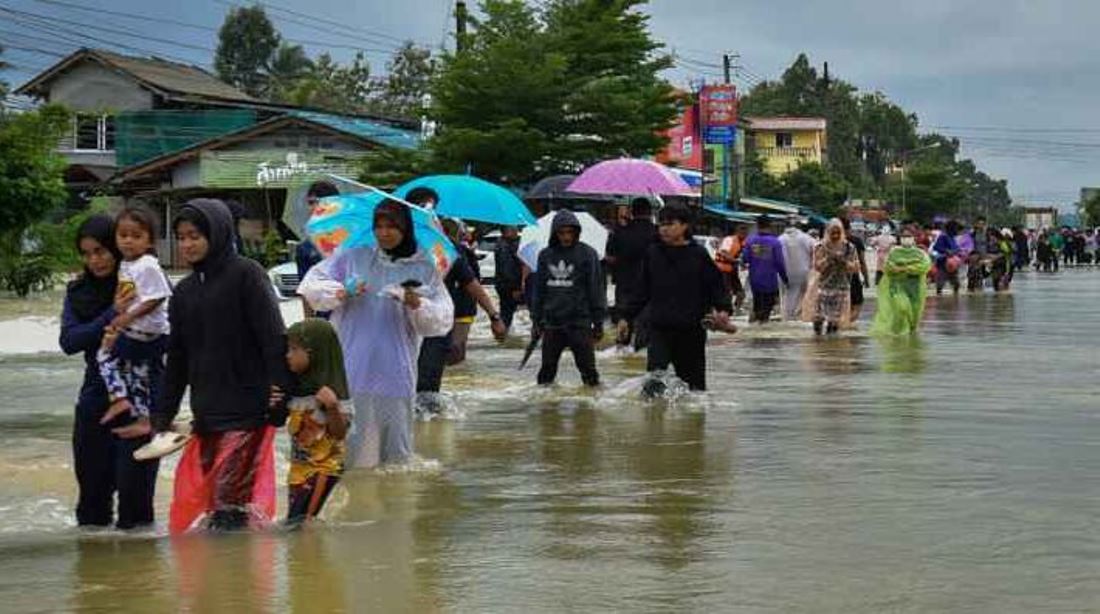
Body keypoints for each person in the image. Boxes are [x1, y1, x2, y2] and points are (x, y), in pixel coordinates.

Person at [123, 199, 290, 533]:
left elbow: (274, 340)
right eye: (181, 237)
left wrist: (281, 397)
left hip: (248, 412)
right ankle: (226, 578)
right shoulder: (184, 292)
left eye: (195, 236)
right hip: (207, 414)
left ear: (217, 233)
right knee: (215, 505)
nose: (187, 244)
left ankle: (233, 579)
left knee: (230, 506)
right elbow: (178, 359)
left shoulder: (247, 275)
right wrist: (162, 415)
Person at [300, 199, 453, 466]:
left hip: (395, 367)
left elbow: (441, 320)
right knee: (348, 447)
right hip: (351, 364)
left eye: (391, 226)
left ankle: (394, 503)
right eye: (378, 226)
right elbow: (311, 286)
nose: (383, 233)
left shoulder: (424, 268)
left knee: (395, 454)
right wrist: (340, 292)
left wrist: (416, 302)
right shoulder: (354, 257)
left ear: (405, 228)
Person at [60, 215, 158, 529]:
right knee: (91, 501)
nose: (95, 260)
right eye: (87, 254)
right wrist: (113, 313)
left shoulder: (144, 282)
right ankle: (94, 575)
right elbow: (70, 341)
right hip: (94, 401)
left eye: (101, 251)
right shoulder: (78, 292)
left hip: (140, 400)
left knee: (135, 502)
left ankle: (139, 577)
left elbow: (169, 339)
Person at [617, 206, 733, 395]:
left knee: (695, 391)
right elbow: (641, 291)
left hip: (692, 330)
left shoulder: (698, 255)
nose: (664, 229)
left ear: (684, 226)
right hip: (659, 329)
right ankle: (653, 422)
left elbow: (716, 287)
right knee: (654, 384)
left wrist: (723, 310)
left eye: (670, 224)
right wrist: (625, 318)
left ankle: (691, 424)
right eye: (661, 224)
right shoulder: (652, 254)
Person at [416, 219, 506, 414]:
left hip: (437, 326)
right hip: (402, 329)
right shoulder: (392, 253)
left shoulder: (448, 252)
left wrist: (494, 316)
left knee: (427, 387)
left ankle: (429, 434)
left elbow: (472, 284)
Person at [95, 206, 172, 427]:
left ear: (149, 241)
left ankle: (119, 398)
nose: (128, 241)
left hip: (146, 330)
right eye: (123, 235)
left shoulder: (147, 265)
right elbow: (131, 296)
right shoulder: (128, 264)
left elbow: (156, 297)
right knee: (138, 373)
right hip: (139, 329)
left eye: (136, 236)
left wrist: (126, 319)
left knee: (105, 355)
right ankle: (144, 418)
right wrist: (119, 312)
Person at [276, 319, 353, 527]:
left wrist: (332, 407)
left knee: (298, 524)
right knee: (296, 524)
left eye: (294, 350)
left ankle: (309, 556)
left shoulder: (331, 392)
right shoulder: (298, 389)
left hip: (323, 469)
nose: (288, 355)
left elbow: (340, 434)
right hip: (298, 469)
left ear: (315, 352)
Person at [530, 210, 606, 387]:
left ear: (576, 232)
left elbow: (595, 288)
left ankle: (591, 410)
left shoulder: (588, 254)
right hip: (552, 322)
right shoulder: (545, 255)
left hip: (579, 322)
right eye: (561, 232)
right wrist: (536, 320)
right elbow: (539, 289)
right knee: (546, 372)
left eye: (569, 232)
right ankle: (546, 410)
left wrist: (599, 322)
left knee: (588, 372)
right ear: (554, 233)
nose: (566, 237)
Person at [604, 198, 658, 345]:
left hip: (624, 284)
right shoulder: (658, 233)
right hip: (651, 287)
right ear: (650, 212)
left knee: (623, 325)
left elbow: (610, 258)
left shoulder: (619, 232)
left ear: (632, 211)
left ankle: (623, 349)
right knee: (646, 328)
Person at [871, 227, 932, 336]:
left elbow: (925, 266)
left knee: (914, 316)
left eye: (909, 236)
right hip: (897, 287)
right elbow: (888, 266)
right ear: (899, 238)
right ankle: (897, 333)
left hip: (915, 289)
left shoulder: (920, 253)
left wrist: (906, 269)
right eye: (904, 236)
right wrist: (899, 269)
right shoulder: (893, 252)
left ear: (913, 238)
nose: (906, 239)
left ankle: (910, 336)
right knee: (902, 308)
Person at [804, 219, 859, 335]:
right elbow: (817, 267)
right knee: (818, 319)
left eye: (838, 233)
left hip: (841, 287)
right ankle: (818, 344)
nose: (835, 236)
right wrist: (828, 259)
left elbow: (855, 267)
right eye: (832, 233)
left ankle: (831, 346)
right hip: (823, 287)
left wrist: (843, 261)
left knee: (834, 321)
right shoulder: (820, 247)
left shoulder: (849, 247)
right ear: (827, 232)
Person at [296, 181, 341, 318]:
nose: (314, 207)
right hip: (325, 317)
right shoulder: (306, 247)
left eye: (319, 202)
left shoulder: (353, 239)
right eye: (311, 203)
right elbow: (305, 290)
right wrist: (309, 324)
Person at [741, 217, 788, 323]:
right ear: (770, 225)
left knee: (756, 306)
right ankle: (762, 332)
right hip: (770, 281)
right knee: (766, 310)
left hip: (755, 280)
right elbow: (779, 263)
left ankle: (752, 331)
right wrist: (785, 278)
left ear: (757, 225)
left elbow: (745, 259)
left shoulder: (750, 240)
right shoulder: (775, 242)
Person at [779, 221, 815, 321]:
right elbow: (816, 249)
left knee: (788, 296)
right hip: (805, 271)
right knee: (804, 296)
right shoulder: (806, 238)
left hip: (786, 273)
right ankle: (801, 316)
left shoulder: (781, 238)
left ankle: (789, 318)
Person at [493, 225, 525, 331]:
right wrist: (515, 288)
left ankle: (502, 338)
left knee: (506, 314)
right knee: (506, 315)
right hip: (508, 287)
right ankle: (502, 336)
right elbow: (508, 269)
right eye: (514, 229)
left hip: (504, 286)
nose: (517, 231)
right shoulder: (504, 246)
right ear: (506, 232)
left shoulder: (504, 244)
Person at [841, 218, 870, 324]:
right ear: (849, 228)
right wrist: (866, 279)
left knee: (841, 306)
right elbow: (862, 262)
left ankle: (842, 325)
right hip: (853, 277)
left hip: (836, 279)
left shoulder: (831, 241)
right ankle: (847, 324)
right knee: (857, 305)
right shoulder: (856, 241)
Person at [716, 224, 749, 313]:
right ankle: (725, 310)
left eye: (745, 232)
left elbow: (742, 257)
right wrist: (735, 260)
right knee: (727, 292)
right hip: (722, 269)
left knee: (741, 293)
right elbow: (724, 253)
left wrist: (743, 264)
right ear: (737, 231)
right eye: (742, 231)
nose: (744, 233)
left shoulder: (744, 242)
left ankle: (736, 310)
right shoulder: (729, 240)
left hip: (732, 270)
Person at [931, 220, 962, 295]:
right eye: (956, 229)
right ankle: (939, 297)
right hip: (943, 263)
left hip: (953, 264)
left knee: (956, 283)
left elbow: (956, 248)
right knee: (940, 283)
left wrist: (956, 251)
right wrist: (946, 251)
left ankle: (955, 297)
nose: (957, 232)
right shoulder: (943, 237)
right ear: (952, 229)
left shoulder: (953, 238)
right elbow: (936, 247)